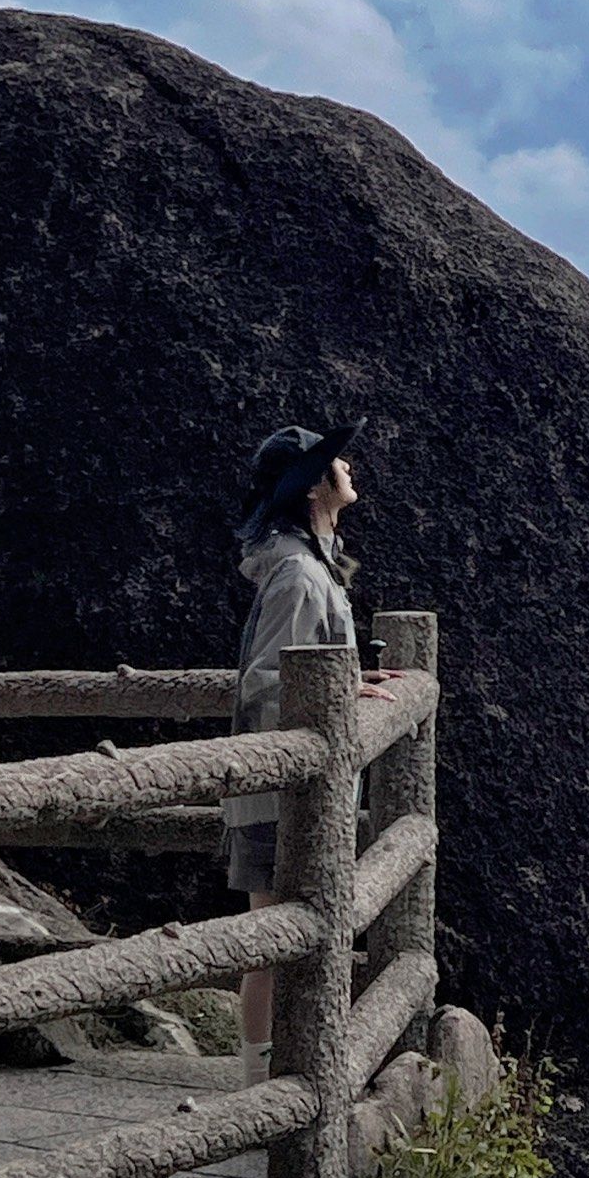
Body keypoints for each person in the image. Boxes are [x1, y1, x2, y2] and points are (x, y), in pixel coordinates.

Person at [228, 418, 391, 1083]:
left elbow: (303, 668)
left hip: (297, 790)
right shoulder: (299, 574)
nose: (347, 466)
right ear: (313, 486)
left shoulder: (316, 563)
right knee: (273, 937)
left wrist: (349, 679)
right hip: (279, 789)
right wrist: (338, 698)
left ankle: (274, 1073)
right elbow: (270, 680)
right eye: (334, 462)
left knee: (288, 934)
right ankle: (260, 1083)